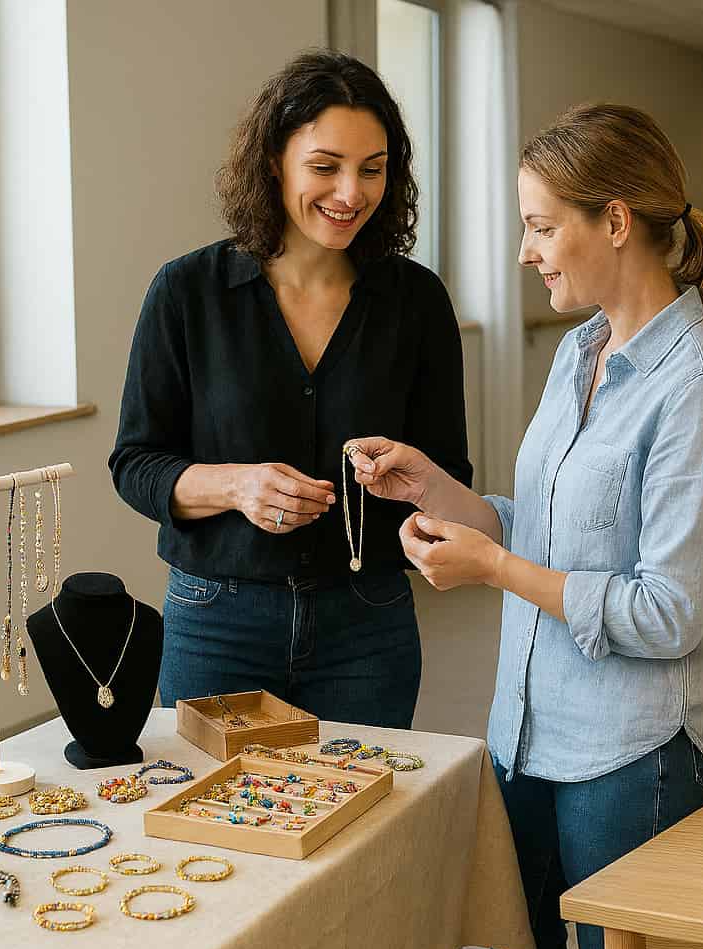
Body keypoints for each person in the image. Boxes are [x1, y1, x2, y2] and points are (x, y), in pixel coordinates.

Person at [348, 103, 703, 949]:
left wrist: (495, 570)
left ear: (614, 222)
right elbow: (539, 528)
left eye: (542, 227)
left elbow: (670, 613)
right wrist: (435, 492)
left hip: (635, 746)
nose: (528, 250)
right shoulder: (578, 353)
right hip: (525, 729)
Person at [110, 50, 468, 727]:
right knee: (214, 828)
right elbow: (135, 464)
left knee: (367, 825)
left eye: (372, 169)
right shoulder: (186, 293)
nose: (351, 193)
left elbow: (449, 471)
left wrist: (418, 493)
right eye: (325, 167)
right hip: (217, 623)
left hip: (368, 624)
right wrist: (235, 486)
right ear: (274, 160)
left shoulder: (416, 302)